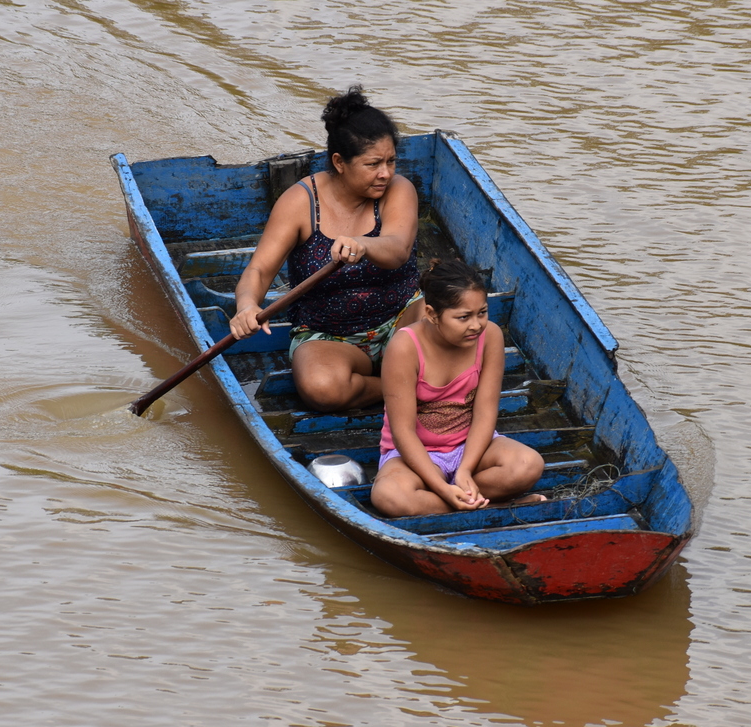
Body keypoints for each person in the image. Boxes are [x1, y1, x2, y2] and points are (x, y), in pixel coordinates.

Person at [229, 86, 422, 412]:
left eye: (391, 161)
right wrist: (246, 305)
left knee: (462, 329)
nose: (386, 173)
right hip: (331, 338)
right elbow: (259, 270)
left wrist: (363, 244)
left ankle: (404, 379)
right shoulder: (300, 202)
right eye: (373, 163)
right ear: (340, 162)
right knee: (322, 389)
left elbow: (398, 249)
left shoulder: (398, 190)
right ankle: (404, 387)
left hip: (401, 320)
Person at [370, 259, 547, 517]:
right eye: (463, 317)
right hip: (416, 453)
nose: (475, 325)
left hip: (471, 447)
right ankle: (495, 507)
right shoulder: (405, 347)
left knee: (528, 465)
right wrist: (441, 487)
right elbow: (403, 432)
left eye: (482, 312)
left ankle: (451, 500)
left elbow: (485, 412)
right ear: (432, 314)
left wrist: (464, 469)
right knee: (389, 496)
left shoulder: (490, 337)